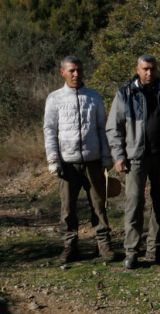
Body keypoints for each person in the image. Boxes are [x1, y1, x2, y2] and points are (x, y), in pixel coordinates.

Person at [107, 54, 160, 269]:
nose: (149, 73)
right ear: (137, 69)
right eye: (145, 69)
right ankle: (131, 251)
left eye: (152, 69)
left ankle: (155, 248)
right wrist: (118, 156)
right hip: (135, 158)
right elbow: (114, 128)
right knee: (134, 204)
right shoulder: (125, 93)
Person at [44, 55, 114, 263]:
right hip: (67, 162)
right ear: (62, 72)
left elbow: (102, 128)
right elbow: (49, 130)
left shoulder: (93, 96)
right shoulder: (54, 98)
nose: (76, 74)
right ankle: (69, 246)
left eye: (79, 70)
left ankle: (104, 245)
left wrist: (106, 156)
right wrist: (53, 160)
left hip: (92, 161)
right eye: (72, 70)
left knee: (99, 205)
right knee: (67, 208)